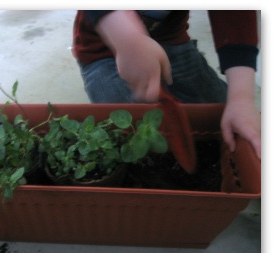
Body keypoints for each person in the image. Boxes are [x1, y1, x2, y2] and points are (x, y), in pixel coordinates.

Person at [72, 10, 261, 159]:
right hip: (104, 46)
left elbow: (235, 14)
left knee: (220, 116)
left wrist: (241, 97)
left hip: (170, 38)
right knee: (127, 136)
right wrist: (125, 37)